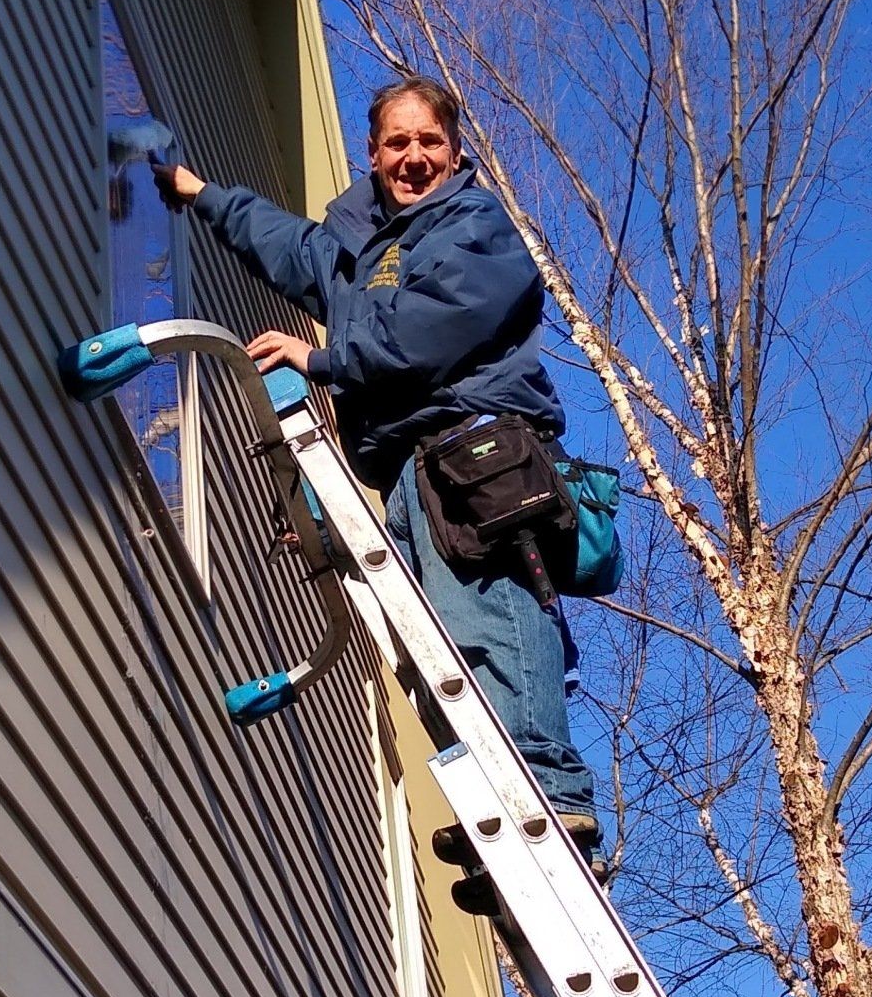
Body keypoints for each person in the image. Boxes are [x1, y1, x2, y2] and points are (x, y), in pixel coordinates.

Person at [153, 75, 602, 878]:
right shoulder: (361, 249)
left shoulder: (472, 224)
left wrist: (324, 359)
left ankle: (547, 796)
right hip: (406, 469)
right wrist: (198, 193)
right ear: (374, 154)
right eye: (399, 142)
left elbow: (437, 327)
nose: (414, 156)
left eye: (430, 140)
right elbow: (283, 242)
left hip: (477, 451)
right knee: (445, 650)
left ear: (454, 152)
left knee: (493, 617)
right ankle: (500, 807)